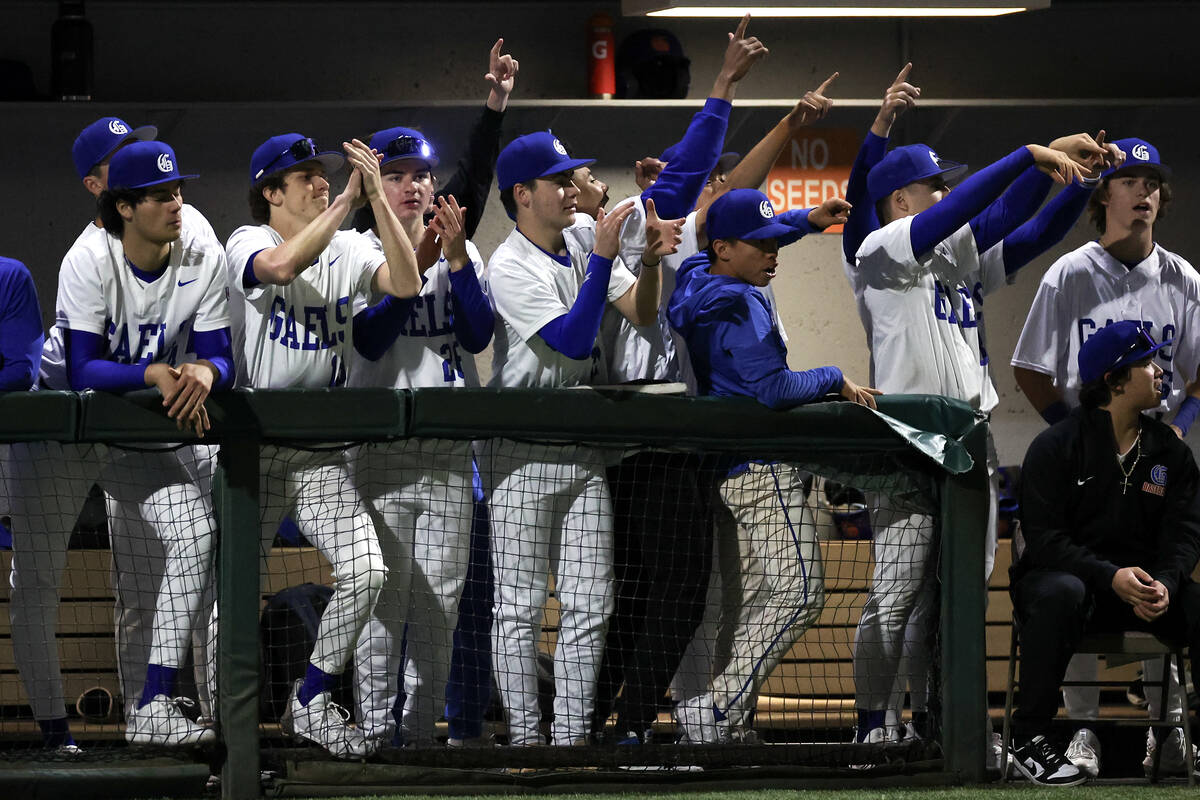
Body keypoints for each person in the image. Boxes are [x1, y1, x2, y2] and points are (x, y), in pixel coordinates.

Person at [848, 121, 1110, 745]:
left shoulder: (953, 252)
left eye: (946, 187)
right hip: (907, 438)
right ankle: (872, 725)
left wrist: (1076, 179)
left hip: (971, 437)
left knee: (956, 592)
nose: (945, 194)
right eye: (933, 186)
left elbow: (1024, 230)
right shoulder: (880, 249)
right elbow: (976, 209)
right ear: (900, 199)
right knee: (897, 591)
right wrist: (1027, 154)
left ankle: (937, 720)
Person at [225, 131, 421, 757]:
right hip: (250, 447)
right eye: (304, 175)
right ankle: (222, 729)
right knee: (227, 590)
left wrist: (377, 205)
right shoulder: (248, 240)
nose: (319, 181)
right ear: (270, 192)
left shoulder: (346, 244)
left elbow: (407, 284)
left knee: (367, 571)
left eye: (323, 173)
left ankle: (311, 699)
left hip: (318, 452)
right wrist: (347, 203)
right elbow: (281, 269)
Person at [1012, 138, 1198, 778]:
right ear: (1104, 194)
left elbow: (1197, 378)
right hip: (1086, 451)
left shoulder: (1182, 278)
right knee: (1080, 576)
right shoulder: (1070, 273)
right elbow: (1030, 369)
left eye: (1153, 183)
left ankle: (1168, 730)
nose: (1144, 192)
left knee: (1155, 576)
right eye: (1129, 181)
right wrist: (1082, 438)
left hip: (1151, 455)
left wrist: (1171, 434)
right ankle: (1080, 729)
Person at [347, 39, 514, 747]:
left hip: (448, 454)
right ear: (376, 184)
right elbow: (371, 337)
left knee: (440, 606)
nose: (415, 185)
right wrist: (423, 255)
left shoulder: (459, 248)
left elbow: (476, 337)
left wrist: (456, 261)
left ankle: (418, 738)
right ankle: (374, 732)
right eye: (400, 174)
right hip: (382, 450)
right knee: (385, 605)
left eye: (422, 174)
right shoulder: (353, 250)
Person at [484, 129, 673, 747]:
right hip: (523, 450)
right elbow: (567, 345)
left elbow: (641, 312)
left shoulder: (583, 237)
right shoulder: (507, 264)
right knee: (517, 606)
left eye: (572, 178)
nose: (571, 189)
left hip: (582, 447)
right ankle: (525, 738)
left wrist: (644, 265)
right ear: (522, 194)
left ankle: (568, 736)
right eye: (558, 181)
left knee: (592, 602)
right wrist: (602, 260)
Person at [666, 188, 877, 743]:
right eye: (761, 245)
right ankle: (716, 709)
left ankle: (722, 723)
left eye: (772, 241)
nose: (773, 252)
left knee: (745, 605)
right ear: (726, 248)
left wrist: (800, 222)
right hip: (762, 469)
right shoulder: (746, 300)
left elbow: (743, 240)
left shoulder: (693, 274)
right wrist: (833, 377)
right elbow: (773, 389)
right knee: (802, 591)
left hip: (723, 472)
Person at [41, 140, 230, 746]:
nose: (176, 203)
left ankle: (153, 707)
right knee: (37, 583)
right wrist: (153, 374)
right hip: (60, 425)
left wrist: (208, 371)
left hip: (136, 423)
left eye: (178, 190)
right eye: (159, 196)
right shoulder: (87, 259)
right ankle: (50, 733)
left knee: (195, 533)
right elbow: (82, 369)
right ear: (123, 207)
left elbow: (219, 351)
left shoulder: (199, 241)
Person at [1010, 320, 1200, 786]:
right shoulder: (1055, 447)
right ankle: (1029, 737)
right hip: (1072, 586)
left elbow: (1185, 533)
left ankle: (1190, 741)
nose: (1159, 371)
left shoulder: (1169, 453)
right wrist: (1110, 575)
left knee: (1196, 602)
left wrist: (1168, 583)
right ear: (1114, 380)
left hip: (1141, 592)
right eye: (1146, 362)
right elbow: (1046, 541)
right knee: (1062, 592)